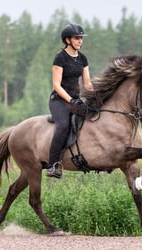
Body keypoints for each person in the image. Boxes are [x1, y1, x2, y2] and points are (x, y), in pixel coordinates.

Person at [46, 23, 93, 178]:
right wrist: (71, 100)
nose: (80, 41)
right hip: (59, 100)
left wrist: (95, 96)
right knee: (63, 125)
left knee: (92, 118)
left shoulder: (82, 58)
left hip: (75, 100)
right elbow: (56, 85)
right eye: (76, 38)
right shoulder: (60, 58)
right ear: (67, 40)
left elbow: (87, 83)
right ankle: (53, 165)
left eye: (81, 38)